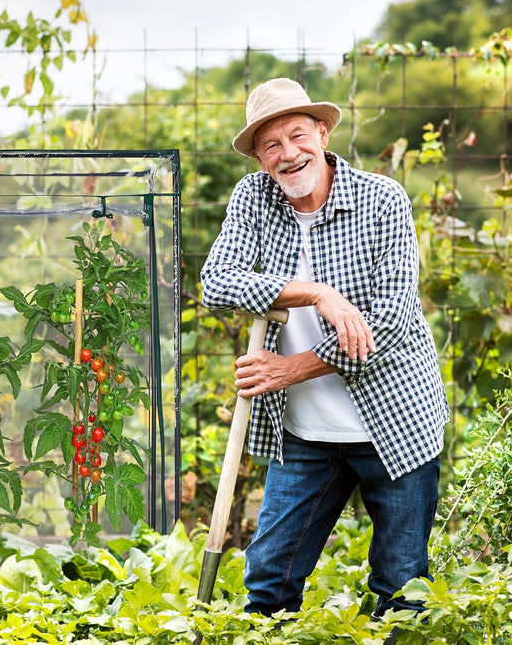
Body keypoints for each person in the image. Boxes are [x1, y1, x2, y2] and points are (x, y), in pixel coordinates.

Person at [200, 78, 449, 620]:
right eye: (271, 145)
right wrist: (318, 293)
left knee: (401, 588)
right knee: (268, 580)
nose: (288, 154)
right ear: (261, 158)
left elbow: (390, 321)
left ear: (323, 130)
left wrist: (290, 368)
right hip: (306, 433)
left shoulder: (382, 199)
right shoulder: (255, 198)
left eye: (296, 134)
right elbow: (217, 280)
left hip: (396, 422)